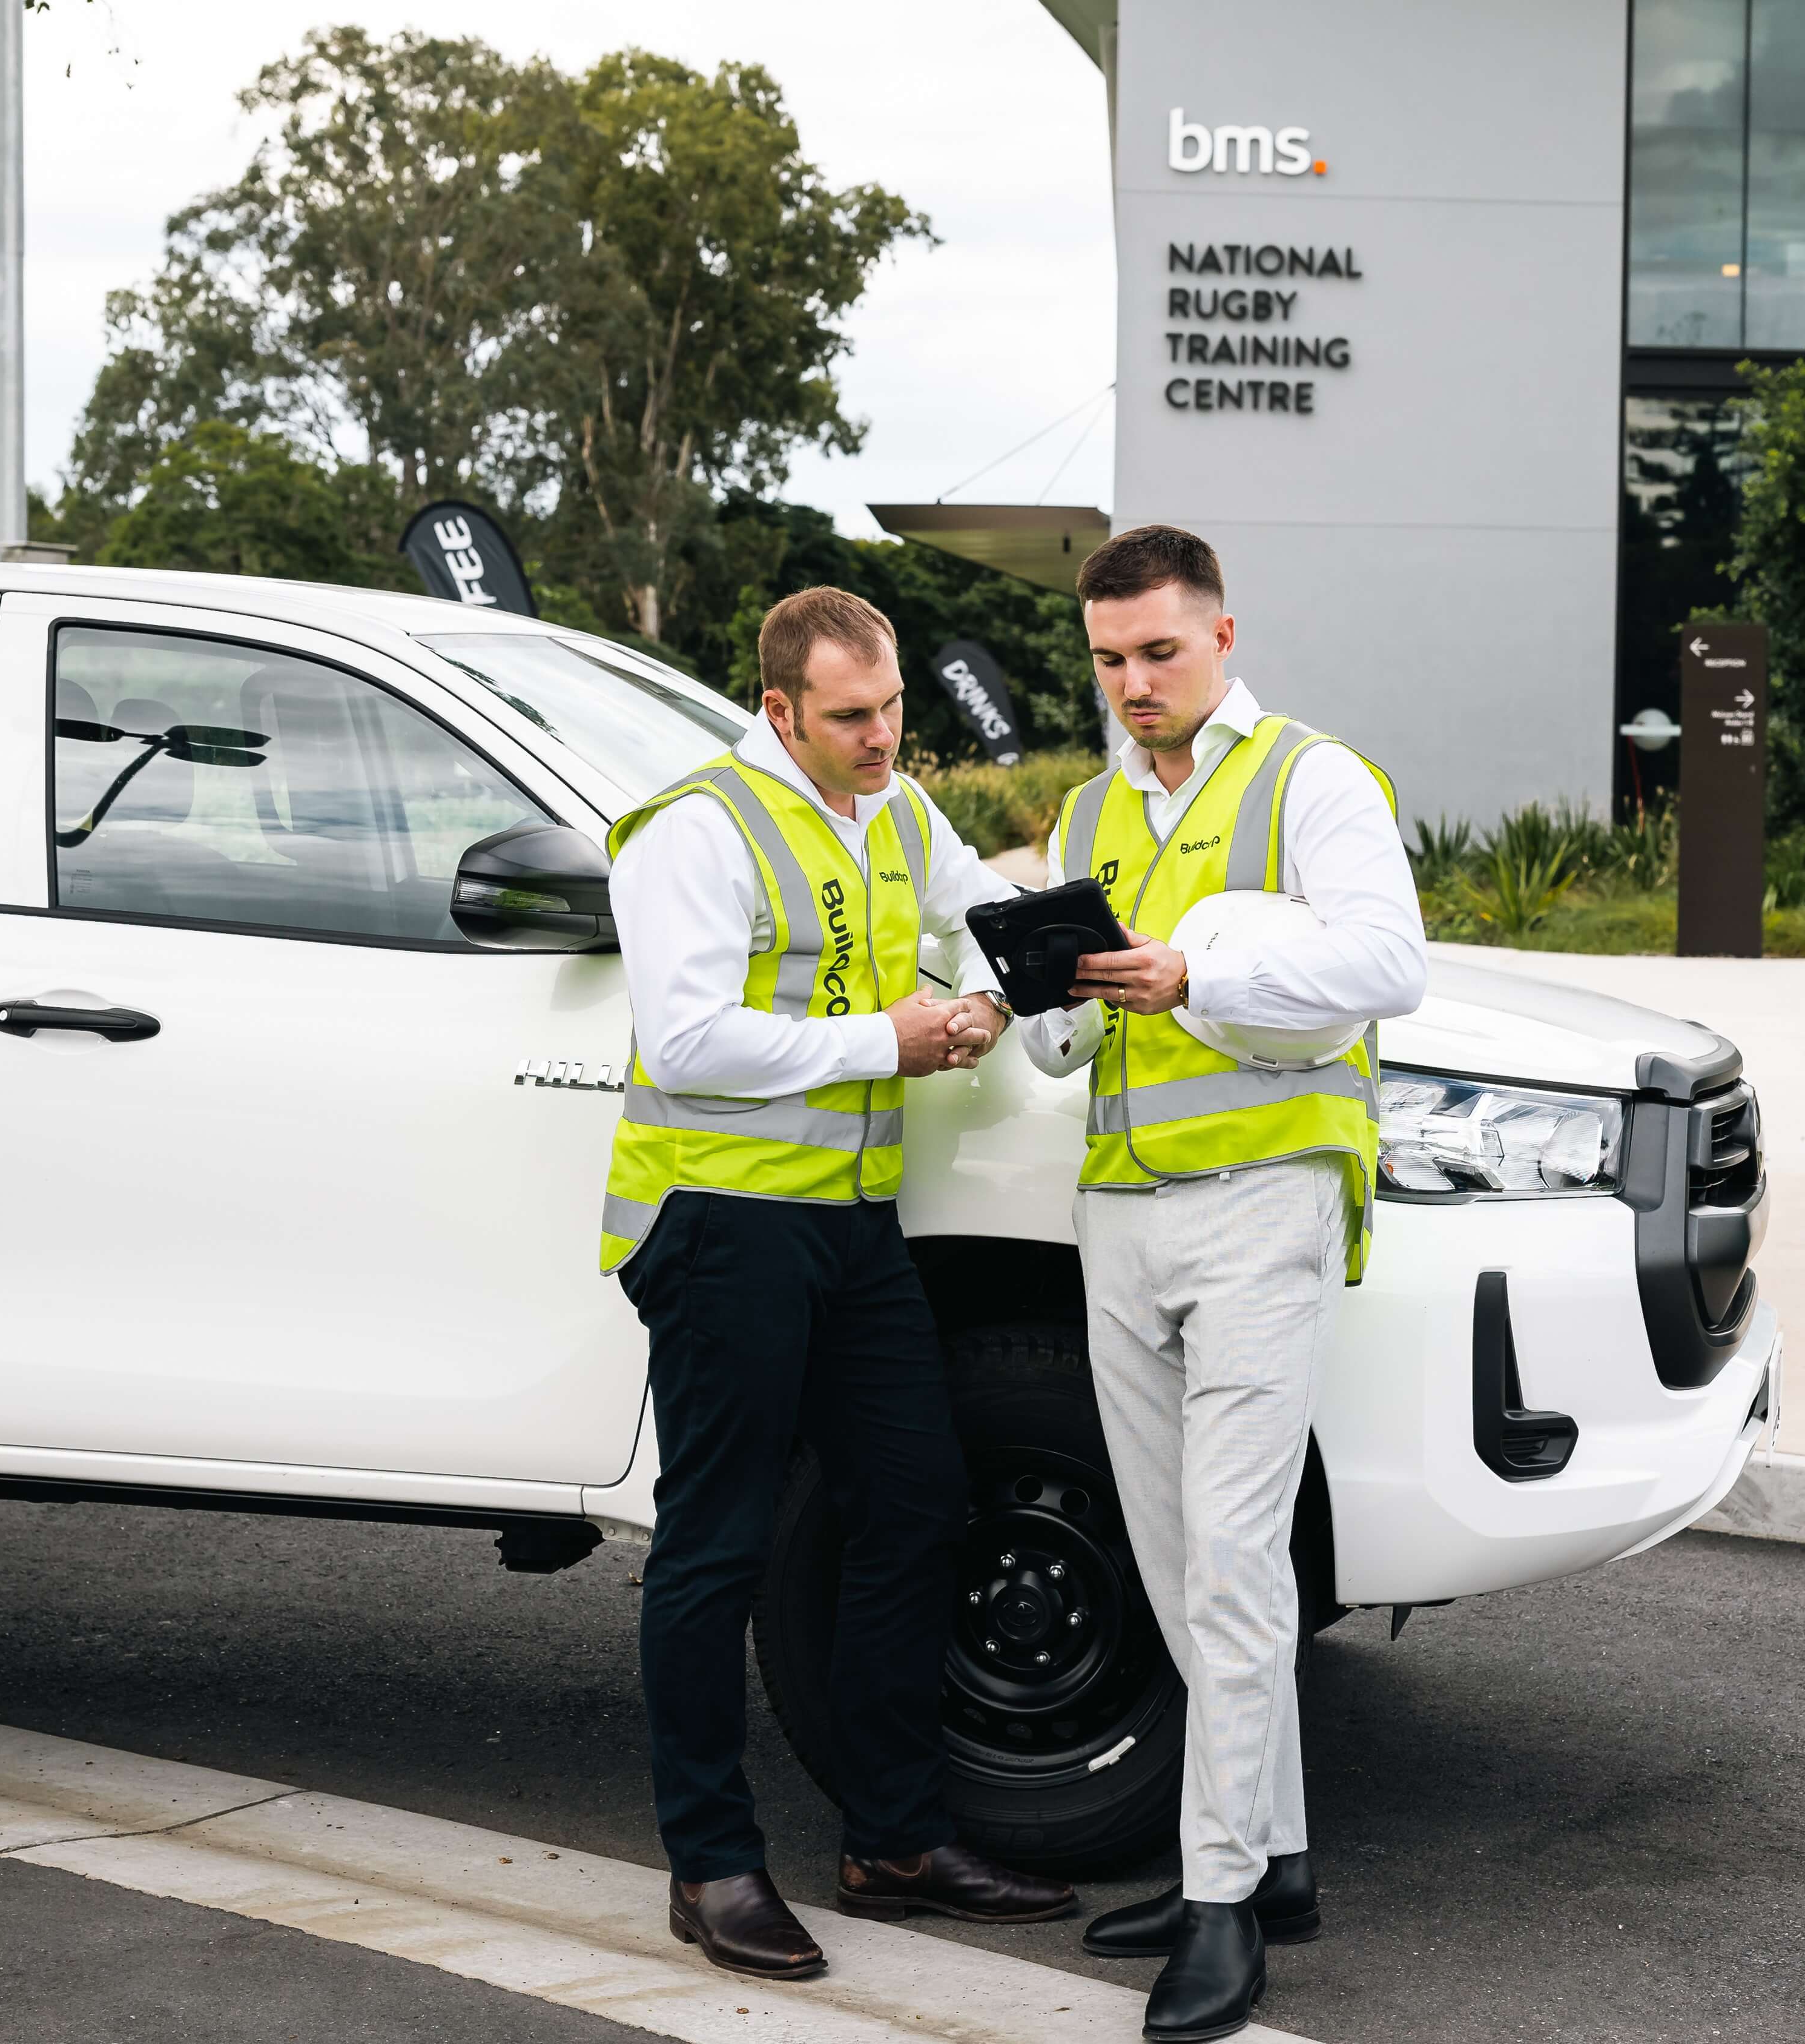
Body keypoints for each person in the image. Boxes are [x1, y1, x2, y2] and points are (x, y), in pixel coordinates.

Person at [601, 585, 1077, 1981]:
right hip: (720, 1221)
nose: (884, 740)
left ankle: (895, 1837)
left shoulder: (898, 811)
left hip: (853, 1226)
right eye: (853, 718)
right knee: (718, 1542)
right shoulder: (697, 827)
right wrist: (895, 1035)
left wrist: (1022, 994)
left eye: (895, 712)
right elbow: (687, 1038)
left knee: (916, 1502)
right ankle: (711, 1862)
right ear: (779, 710)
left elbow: (990, 915)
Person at [1015, 526, 1427, 2043]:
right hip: (1124, 1205)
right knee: (1183, 1557)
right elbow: (1066, 1045)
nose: (1133, 681)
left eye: (1160, 652)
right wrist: (1035, 991)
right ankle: (1280, 1859)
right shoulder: (1087, 808)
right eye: (1111, 658)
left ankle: (1218, 1906)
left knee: (1239, 1563)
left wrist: (1199, 977)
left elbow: (1390, 965)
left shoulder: (1313, 777)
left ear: (1223, 636)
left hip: (1264, 1204)